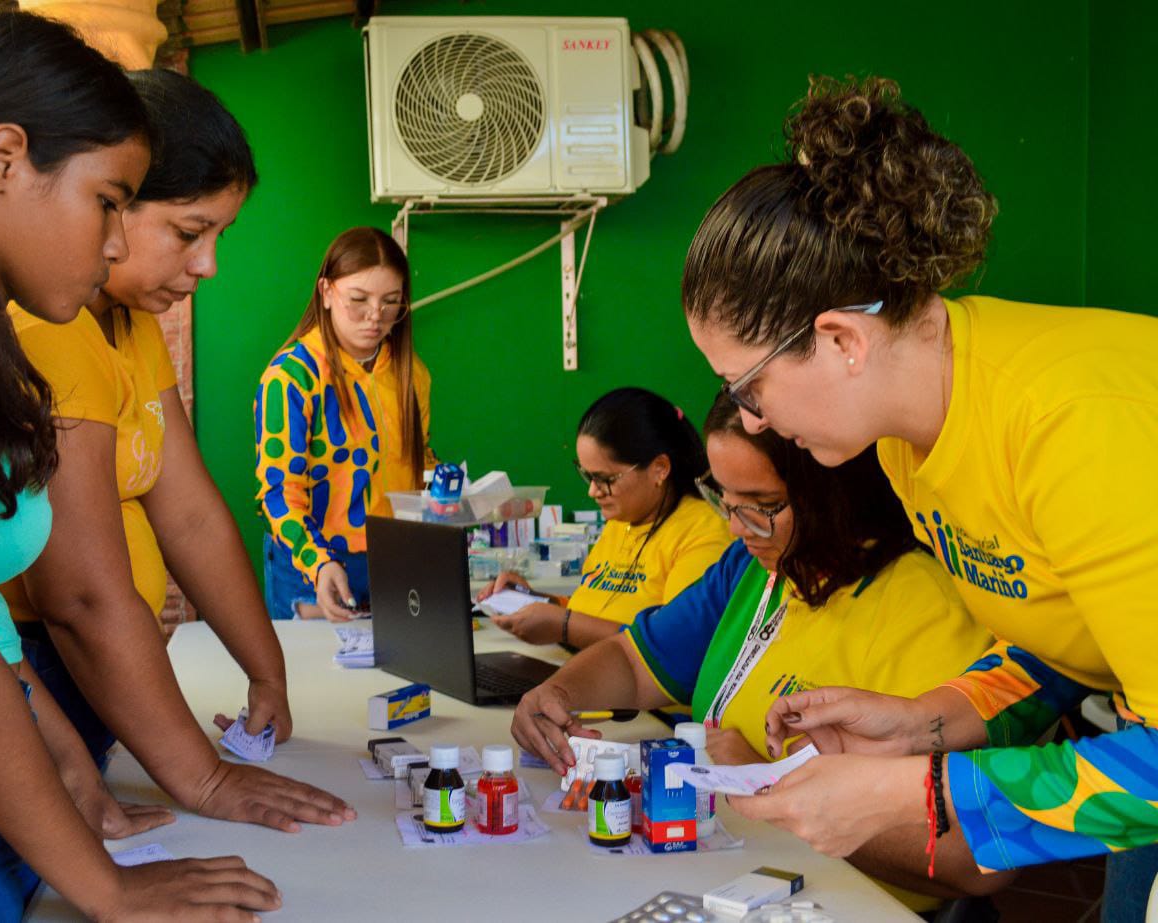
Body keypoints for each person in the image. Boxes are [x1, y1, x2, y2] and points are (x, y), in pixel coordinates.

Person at [682, 75, 1158, 921]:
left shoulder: (1076, 428)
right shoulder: (907, 434)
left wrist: (916, 794)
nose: (751, 418)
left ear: (841, 340)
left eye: (746, 387)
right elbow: (1060, 636)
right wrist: (926, 721)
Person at [0, 13, 281, 920]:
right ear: (6, 159)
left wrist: (61, 751)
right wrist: (108, 888)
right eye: (108, 200)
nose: (112, 243)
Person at [4, 68, 356, 833]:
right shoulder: (49, 331)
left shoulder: (126, 325)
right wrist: (202, 777)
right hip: (52, 667)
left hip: (106, 671)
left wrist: (266, 668)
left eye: (219, 237)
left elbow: (190, 511)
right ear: (111, 203)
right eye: (190, 232)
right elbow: (80, 595)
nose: (208, 266)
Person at [512, 391, 994, 905]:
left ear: (838, 489)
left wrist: (762, 783)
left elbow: (970, 859)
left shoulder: (924, 607)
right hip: (727, 870)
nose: (735, 528)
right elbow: (634, 661)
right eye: (724, 498)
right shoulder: (754, 569)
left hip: (841, 901)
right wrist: (558, 692)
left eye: (764, 507)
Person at [256, 226, 432, 622]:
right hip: (312, 566)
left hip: (393, 561)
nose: (376, 317)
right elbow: (279, 492)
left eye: (391, 303)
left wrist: (453, 492)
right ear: (326, 292)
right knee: (320, 680)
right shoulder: (291, 377)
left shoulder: (411, 375)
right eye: (358, 300)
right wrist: (318, 563)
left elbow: (414, 462)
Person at [480, 387, 728, 649]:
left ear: (660, 469)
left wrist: (562, 625)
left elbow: (674, 646)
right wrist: (535, 602)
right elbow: (597, 609)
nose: (592, 491)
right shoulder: (623, 520)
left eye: (605, 479)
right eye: (587, 475)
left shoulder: (705, 531)